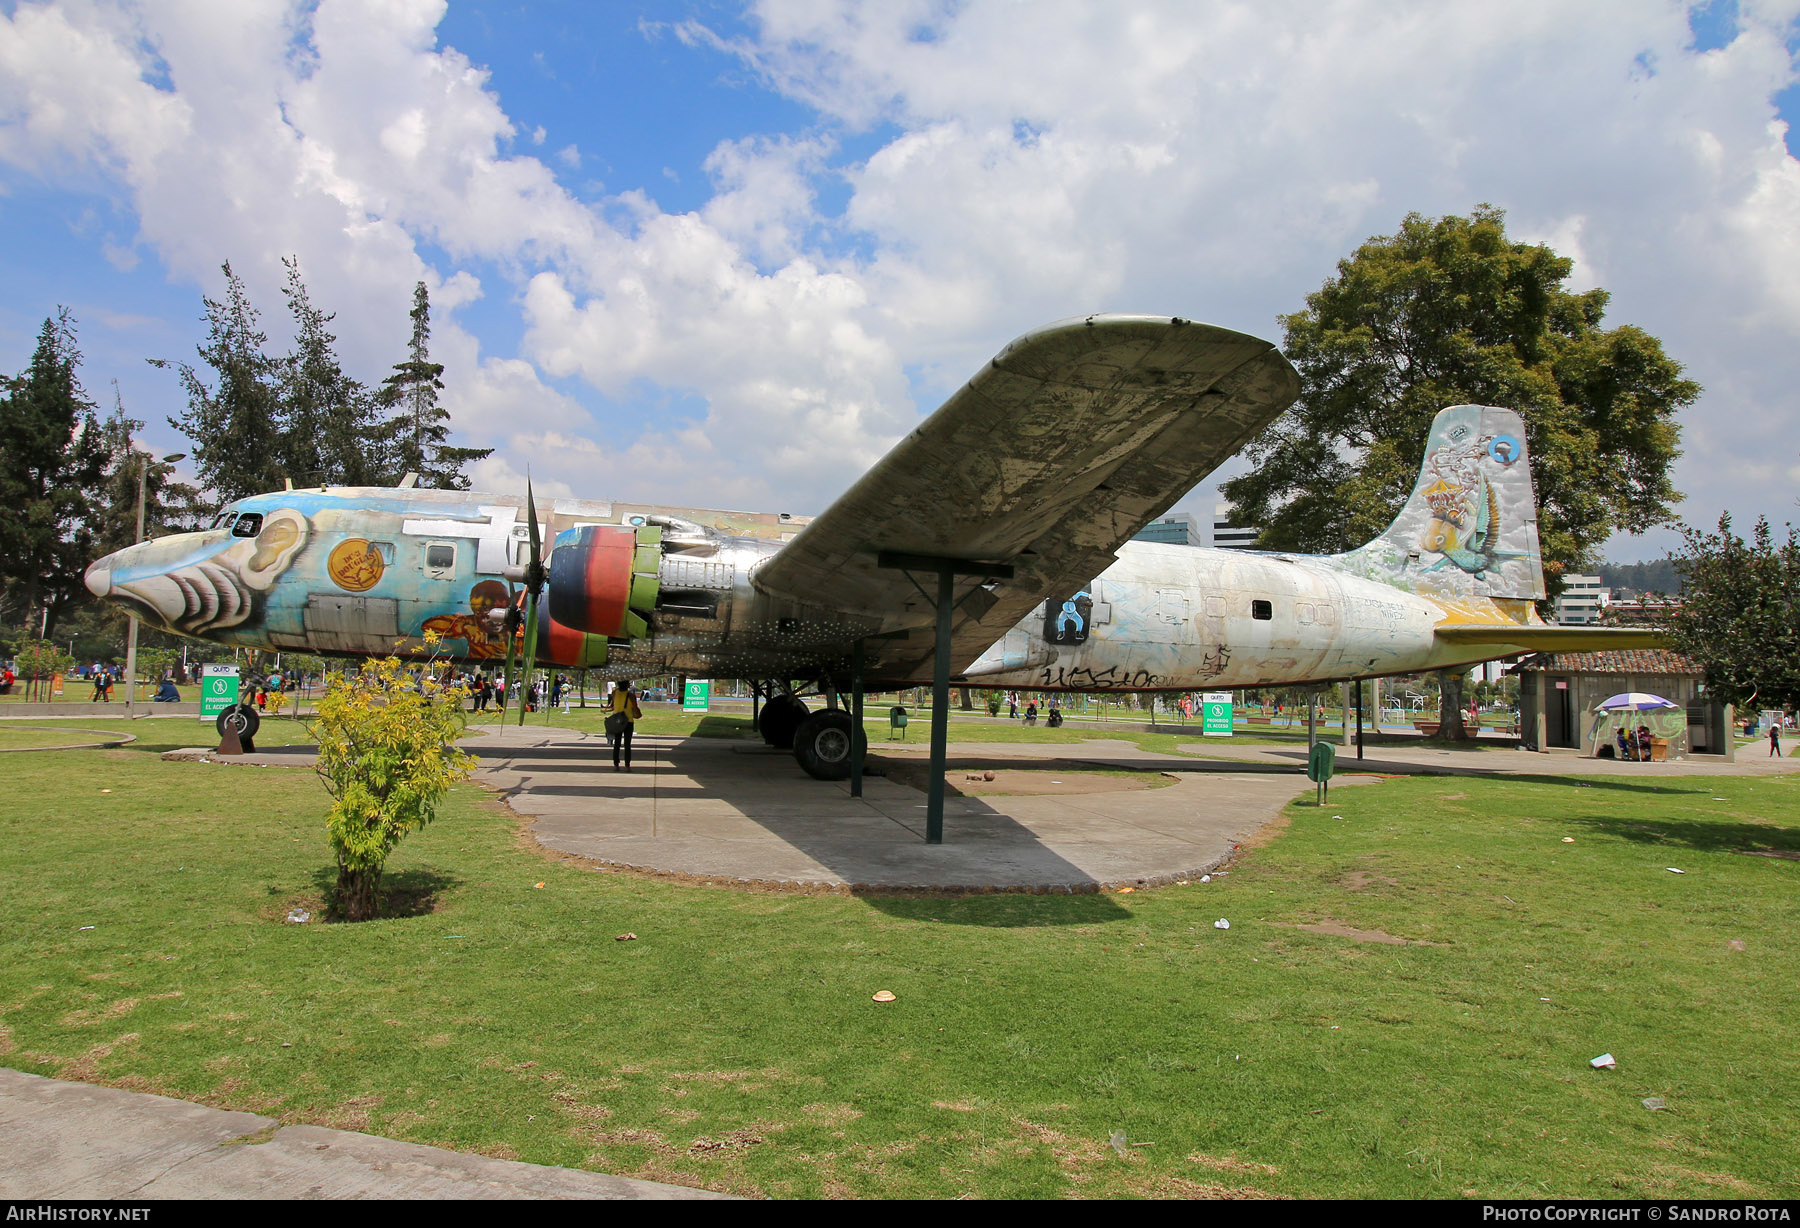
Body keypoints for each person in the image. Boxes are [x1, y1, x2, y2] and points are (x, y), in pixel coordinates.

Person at [608, 680, 643, 771]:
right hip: (628, 721)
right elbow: (635, 709)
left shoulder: (614, 693)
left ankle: (616, 764)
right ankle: (627, 765)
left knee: (617, 744)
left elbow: (614, 705)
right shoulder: (631, 696)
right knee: (627, 744)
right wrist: (638, 714)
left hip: (617, 721)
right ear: (627, 685)